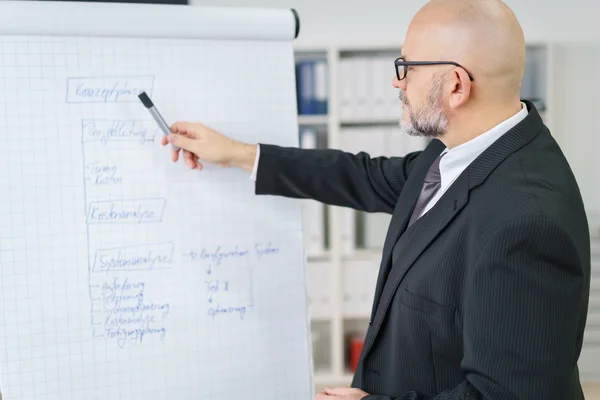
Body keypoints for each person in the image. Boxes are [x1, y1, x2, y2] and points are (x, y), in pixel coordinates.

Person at [162, 0, 591, 398]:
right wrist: (239, 154)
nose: (396, 81)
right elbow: (366, 176)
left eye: (407, 67)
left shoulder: (525, 221)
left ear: (456, 86)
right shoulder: (459, 150)